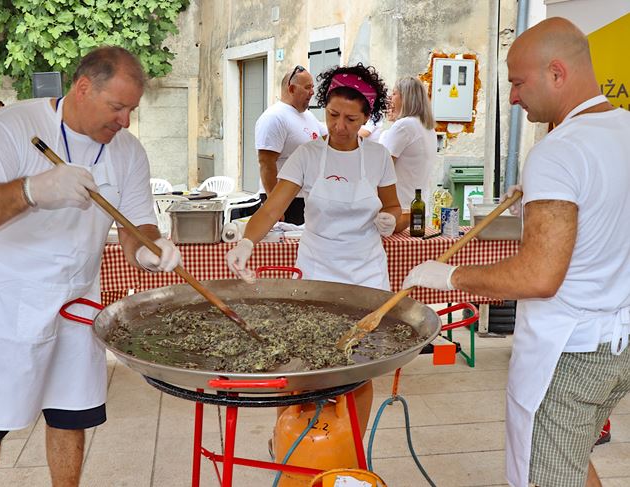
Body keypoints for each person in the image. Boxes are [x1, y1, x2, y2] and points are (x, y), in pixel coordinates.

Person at [403, 17, 630, 487]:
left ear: (557, 73)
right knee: (571, 457)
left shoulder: (558, 150)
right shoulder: (623, 129)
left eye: (517, 82)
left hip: (565, 354)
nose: (511, 97)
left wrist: (451, 278)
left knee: (543, 476)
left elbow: (539, 276)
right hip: (617, 345)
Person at [0, 46, 181, 486]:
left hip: (74, 303)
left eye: (131, 110)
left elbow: (135, 224)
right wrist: (31, 191)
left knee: (70, 415)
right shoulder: (11, 128)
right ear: (83, 87)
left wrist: (150, 248)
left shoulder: (127, 151)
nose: (125, 121)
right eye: (117, 107)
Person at [229, 62, 401, 291]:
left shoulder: (378, 156)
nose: (339, 126)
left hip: (368, 272)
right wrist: (246, 242)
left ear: (365, 117)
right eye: (333, 115)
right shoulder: (307, 155)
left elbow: (393, 205)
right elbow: (271, 209)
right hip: (316, 270)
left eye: (350, 119)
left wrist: (390, 219)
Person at [255, 65, 326, 224]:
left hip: (306, 197)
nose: (312, 92)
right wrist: (275, 206)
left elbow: (329, 138)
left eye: (313, 87)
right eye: (308, 87)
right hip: (286, 200)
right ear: (292, 89)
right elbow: (266, 163)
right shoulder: (274, 117)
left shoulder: (308, 115)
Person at [378, 76, 436, 232]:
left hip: (398, 209)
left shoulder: (404, 125)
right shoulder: (427, 128)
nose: (391, 97)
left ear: (406, 97)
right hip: (417, 208)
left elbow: (381, 166)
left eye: (395, 93)